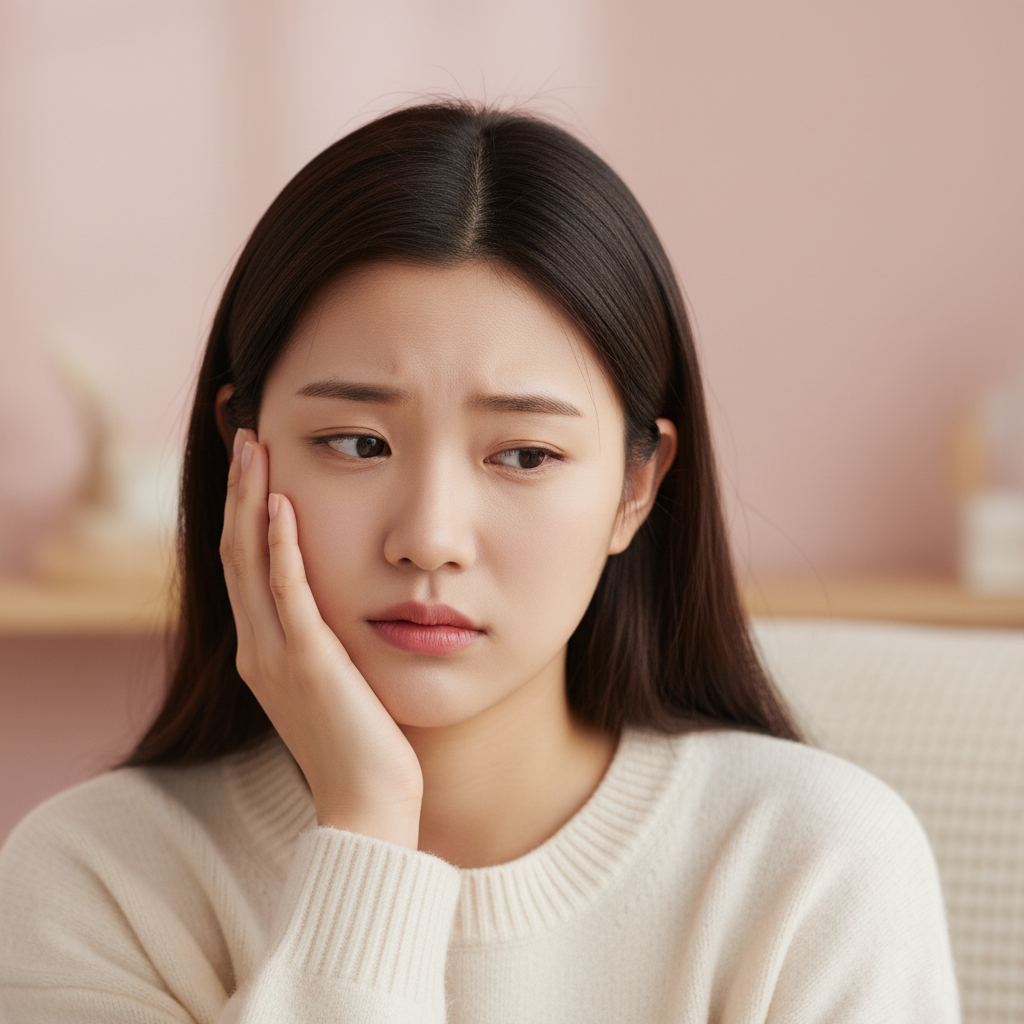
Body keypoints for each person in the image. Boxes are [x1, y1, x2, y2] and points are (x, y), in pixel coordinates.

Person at [0, 101, 959, 1022]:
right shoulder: (97, 880)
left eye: (526, 456)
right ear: (241, 451)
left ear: (636, 487)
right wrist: (368, 826)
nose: (430, 538)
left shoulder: (811, 866)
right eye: (357, 443)